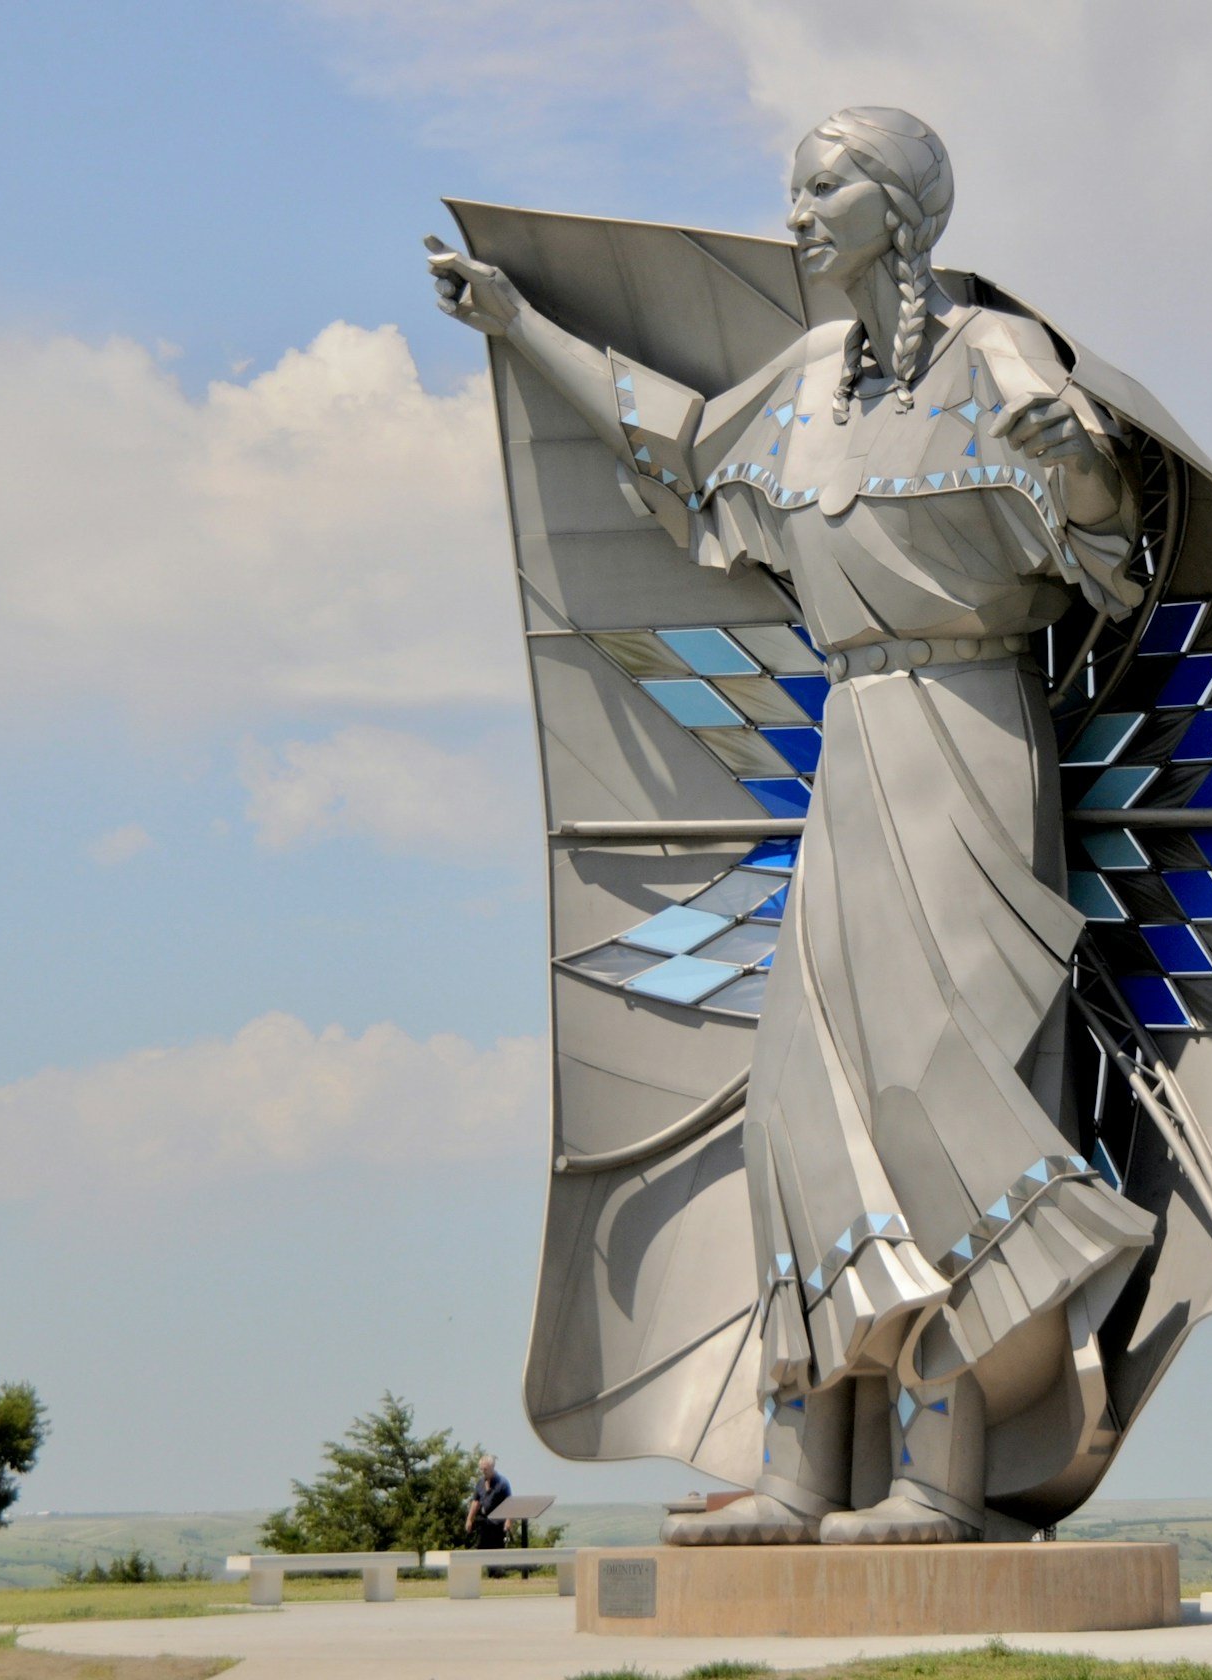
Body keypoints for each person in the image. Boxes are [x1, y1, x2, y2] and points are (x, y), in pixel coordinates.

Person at [425, 107, 1158, 1546]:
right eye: (798, 188)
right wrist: (521, 328)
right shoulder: (814, 378)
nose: (800, 213)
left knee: (940, 1096)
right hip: (854, 746)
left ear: (901, 209)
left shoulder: (996, 359)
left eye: (825, 188)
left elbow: (1106, 550)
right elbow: (682, 445)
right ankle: (796, 1470)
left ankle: (940, 1478)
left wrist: (1074, 457)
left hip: (968, 737)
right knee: (806, 1107)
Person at [464, 1454, 511, 1550]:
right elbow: (476, 1502)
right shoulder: (480, 1482)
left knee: (496, 1554)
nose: (483, 1472)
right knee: (480, 1549)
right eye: (481, 1469)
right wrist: (469, 1519)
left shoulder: (502, 1483)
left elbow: (510, 1503)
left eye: (485, 1469)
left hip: (498, 1525)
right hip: (484, 1524)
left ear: (492, 1467)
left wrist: (509, 1521)